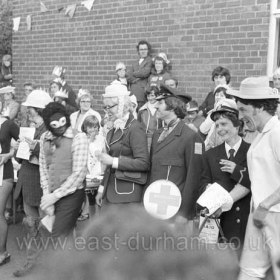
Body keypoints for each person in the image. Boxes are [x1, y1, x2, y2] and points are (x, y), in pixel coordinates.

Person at [227, 76, 280, 280]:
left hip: (274, 214)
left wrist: (265, 206)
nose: (240, 117)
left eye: (243, 110)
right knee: (249, 272)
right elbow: (256, 178)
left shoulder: (276, 133)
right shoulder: (260, 135)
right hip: (259, 215)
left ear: (258, 108)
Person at [200, 98, 251, 249]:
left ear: (237, 126)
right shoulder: (211, 154)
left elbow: (256, 181)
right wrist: (207, 190)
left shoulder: (251, 151)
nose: (220, 129)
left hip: (243, 220)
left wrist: (236, 170)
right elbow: (203, 181)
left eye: (224, 124)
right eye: (216, 125)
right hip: (219, 220)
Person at [148, 85, 204, 219]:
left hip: (176, 211)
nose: (156, 106)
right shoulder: (157, 134)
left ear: (173, 107)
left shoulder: (191, 137)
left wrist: (184, 214)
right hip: (155, 208)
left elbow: (194, 178)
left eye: (160, 103)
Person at [13, 90, 52, 277]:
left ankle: (53, 266)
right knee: (32, 228)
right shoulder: (30, 127)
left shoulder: (50, 130)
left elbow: (50, 157)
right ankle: (31, 263)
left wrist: (33, 146)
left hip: (43, 186)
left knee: (46, 228)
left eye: (31, 109)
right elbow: (21, 159)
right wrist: (19, 148)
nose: (28, 112)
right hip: (28, 183)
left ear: (40, 110)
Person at [95, 82, 149, 209]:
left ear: (122, 105)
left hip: (127, 194)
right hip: (110, 192)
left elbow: (143, 163)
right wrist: (101, 189)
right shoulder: (115, 126)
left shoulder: (135, 128)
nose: (107, 111)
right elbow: (109, 164)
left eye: (110, 107)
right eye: (105, 107)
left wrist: (113, 161)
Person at [39, 102, 88, 238]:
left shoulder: (79, 137)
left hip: (71, 194)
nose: (60, 127)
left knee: (59, 235)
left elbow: (78, 174)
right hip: (51, 193)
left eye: (62, 121)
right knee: (48, 235)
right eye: (55, 124)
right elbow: (43, 167)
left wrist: (54, 197)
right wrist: (46, 194)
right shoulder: (45, 138)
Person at [0, 107, 19, 265]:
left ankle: (2, 253)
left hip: (4, 173)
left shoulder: (7, 124)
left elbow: (25, 143)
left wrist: (10, 154)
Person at [81, 115, 106, 218]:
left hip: (99, 173)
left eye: (95, 127)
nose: (93, 129)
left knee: (99, 199)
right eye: (90, 127)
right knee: (91, 200)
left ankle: (98, 225)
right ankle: (92, 222)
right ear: (85, 127)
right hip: (88, 174)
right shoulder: (82, 138)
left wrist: (103, 172)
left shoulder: (101, 139)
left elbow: (104, 155)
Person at [127, 40, 153, 110]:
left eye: (145, 49)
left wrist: (134, 73)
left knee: (141, 114)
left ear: (148, 50)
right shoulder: (135, 62)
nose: (143, 51)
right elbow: (128, 75)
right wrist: (136, 76)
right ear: (138, 51)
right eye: (141, 49)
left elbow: (145, 73)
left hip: (142, 93)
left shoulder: (150, 61)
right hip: (132, 94)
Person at [138, 86, 162, 152]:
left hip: (159, 137)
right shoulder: (142, 110)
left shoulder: (161, 108)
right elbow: (138, 125)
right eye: (148, 96)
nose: (150, 98)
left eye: (152, 95)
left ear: (157, 95)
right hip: (146, 137)